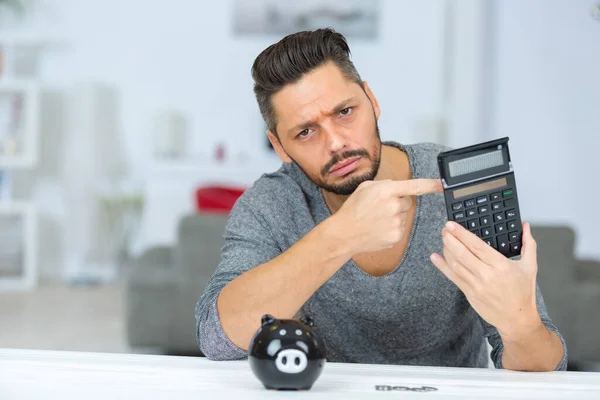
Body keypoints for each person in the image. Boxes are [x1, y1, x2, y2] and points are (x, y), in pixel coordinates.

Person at [195, 28, 567, 371]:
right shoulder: (270, 205)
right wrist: (341, 236)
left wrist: (521, 326)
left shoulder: (457, 183)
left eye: (345, 112)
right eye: (306, 132)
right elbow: (217, 339)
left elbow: (545, 367)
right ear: (279, 146)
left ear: (371, 100)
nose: (337, 142)